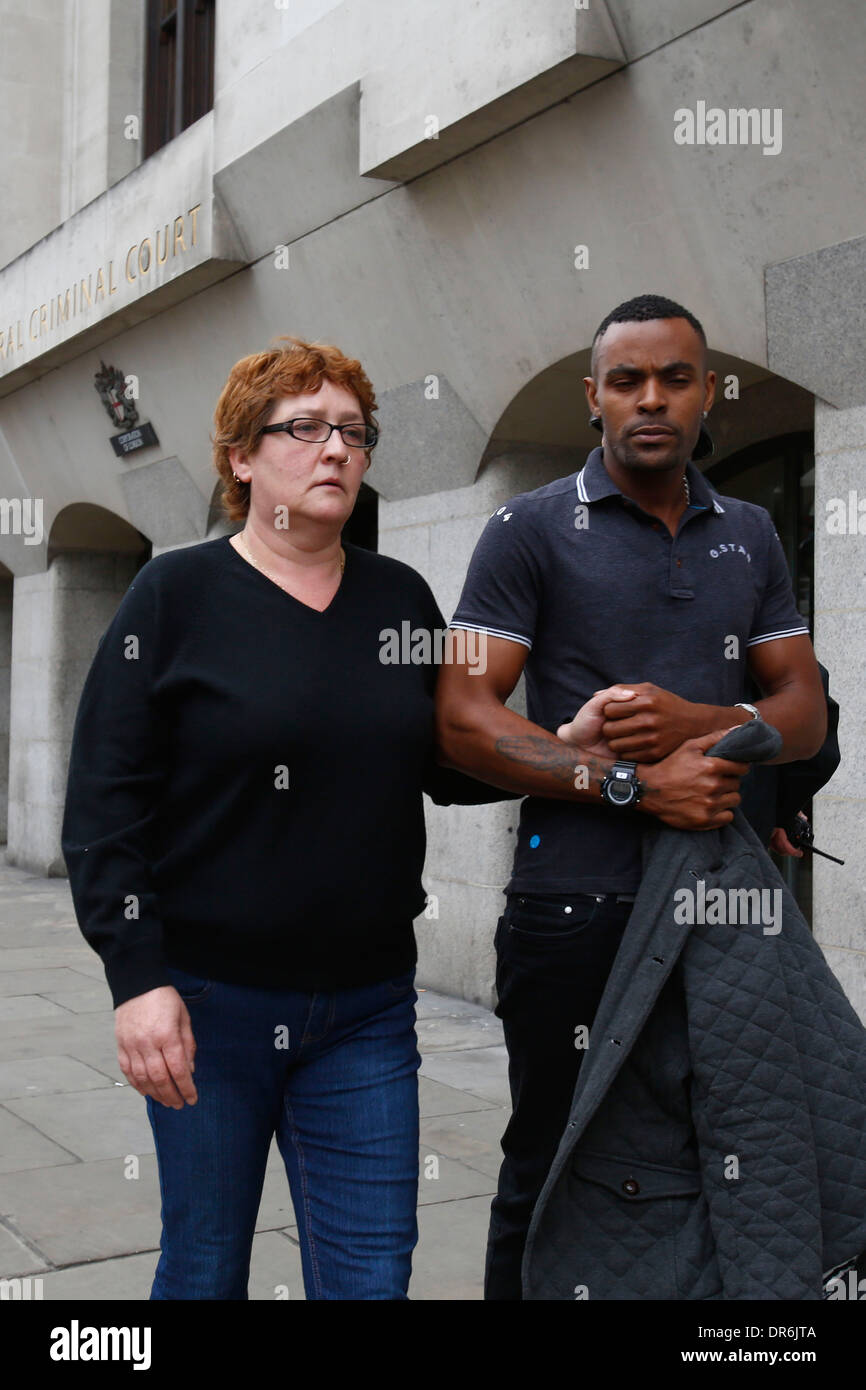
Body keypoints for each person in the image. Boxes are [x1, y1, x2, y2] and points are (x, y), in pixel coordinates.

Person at [61, 336, 505, 1300]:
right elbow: (103, 802)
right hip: (207, 1007)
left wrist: (567, 751)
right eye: (304, 428)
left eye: (353, 431)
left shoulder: (399, 599)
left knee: (369, 1278)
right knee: (206, 1269)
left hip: (368, 1010)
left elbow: (447, 766)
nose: (336, 449)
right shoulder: (171, 596)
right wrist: (136, 980)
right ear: (241, 456)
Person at [435, 293, 827, 1300]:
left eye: (673, 378)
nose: (649, 399)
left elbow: (805, 711)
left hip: (724, 912)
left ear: (706, 395)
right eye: (625, 381)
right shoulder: (525, 529)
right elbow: (464, 720)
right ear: (592, 399)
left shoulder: (748, 530)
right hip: (575, 908)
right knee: (551, 1165)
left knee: (724, 1165)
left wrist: (695, 720)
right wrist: (632, 785)